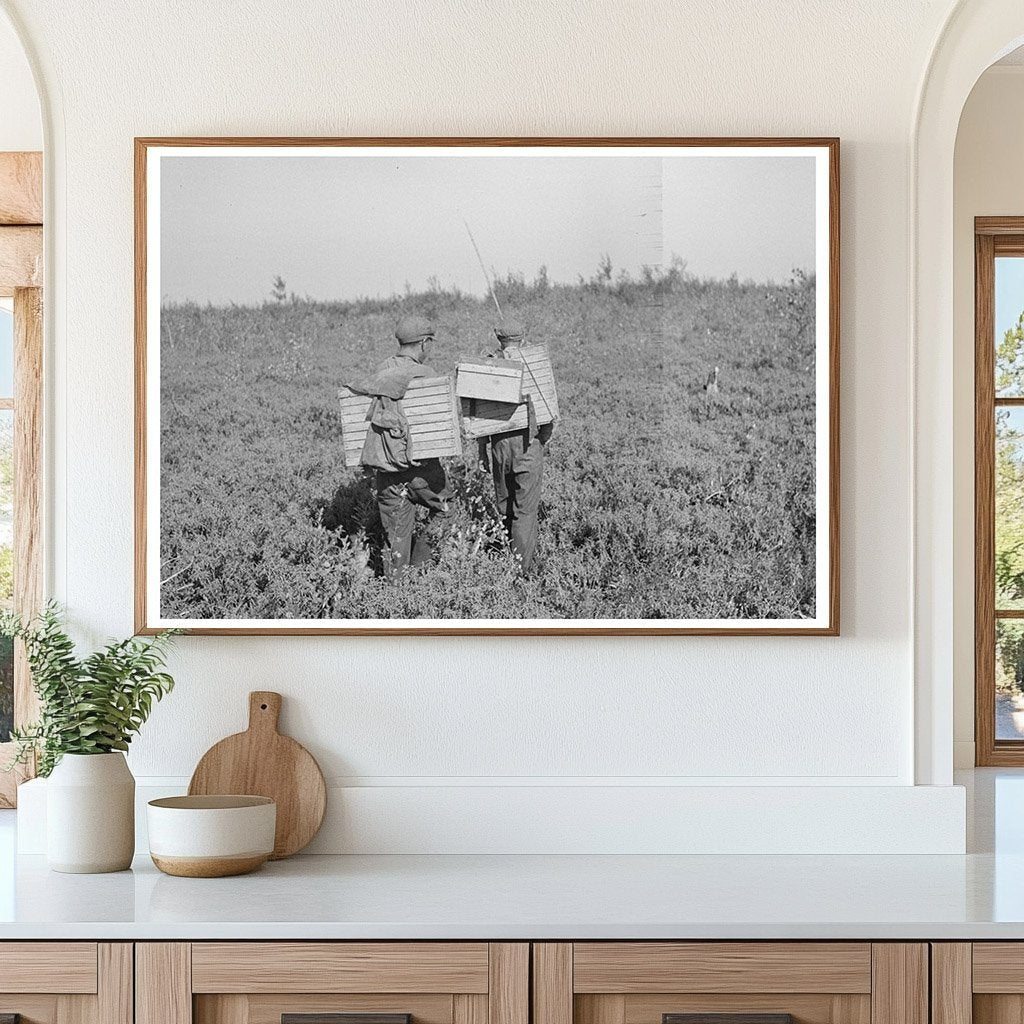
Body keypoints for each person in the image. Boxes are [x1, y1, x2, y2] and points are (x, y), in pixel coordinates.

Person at [351, 315, 452, 579]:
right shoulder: (426, 375)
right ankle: (420, 572)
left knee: (395, 541)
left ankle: (397, 593)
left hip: (386, 475)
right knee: (446, 509)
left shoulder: (380, 371)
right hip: (421, 472)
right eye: (430, 343)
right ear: (423, 343)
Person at [478, 317, 553, 574]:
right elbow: (549, 417)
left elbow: (476, 415)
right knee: (525, 511)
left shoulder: (486, 365)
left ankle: (506, 558)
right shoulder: (534, 364)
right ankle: (521, 572)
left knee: (506, 505)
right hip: (527, 444)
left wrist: (482, 450)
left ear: (499, 338)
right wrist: (539, 441)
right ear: (522, 338)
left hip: (498, 446)